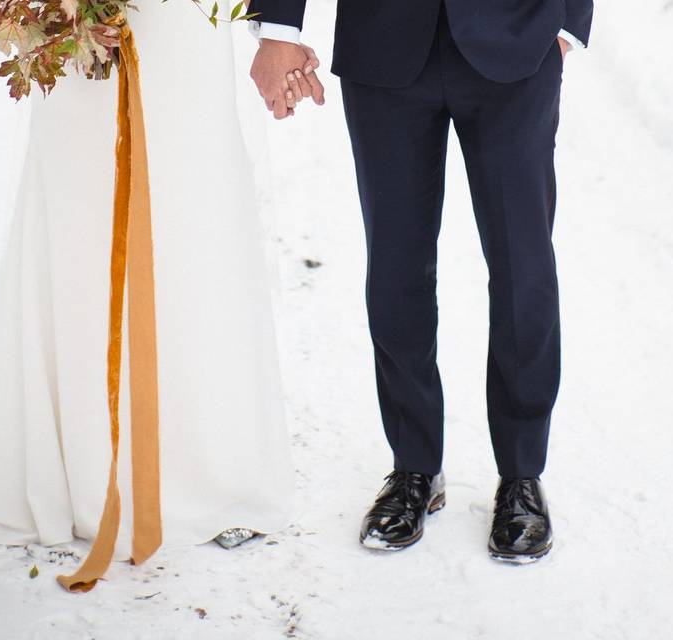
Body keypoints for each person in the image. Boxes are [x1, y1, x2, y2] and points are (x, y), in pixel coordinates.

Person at [0, 0, 296, 569]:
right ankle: (81, 469)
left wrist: (278, 30)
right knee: (80, 212)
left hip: (185, 29)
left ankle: (210, 470)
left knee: (192, 210)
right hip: (72, 38)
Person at [247, 0, 593, 562]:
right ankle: (413, 467)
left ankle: (523, 474)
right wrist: (278, 29)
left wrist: (567, 22)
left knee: (521, 265)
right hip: (383, 40)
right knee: (395, 266)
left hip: (518, 39)